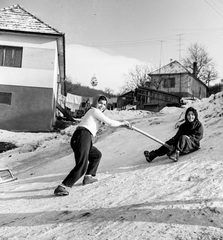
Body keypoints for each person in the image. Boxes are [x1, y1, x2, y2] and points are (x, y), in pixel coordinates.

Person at [54, 94, 130, 196]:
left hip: (85, 137)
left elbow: (109, 124)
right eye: (100, 103)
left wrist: (123, 126)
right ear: (95, 102)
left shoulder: (96, 114)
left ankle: (88, 177)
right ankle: (62, 186)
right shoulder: (94, 111)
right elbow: (110, 122)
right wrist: (123, 123)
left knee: (96, 155)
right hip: (82, 135)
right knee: (82, 165)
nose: (102, 106)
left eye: (104, 104)